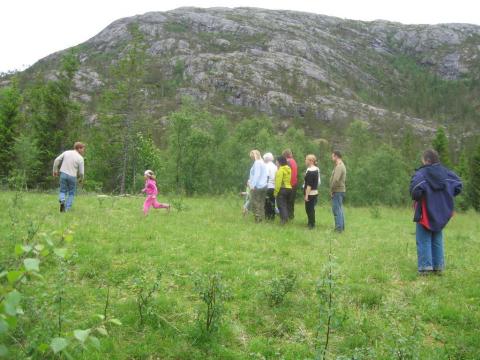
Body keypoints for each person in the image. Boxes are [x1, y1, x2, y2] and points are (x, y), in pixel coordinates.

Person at [409, 149, 462, 275]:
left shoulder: (421, 173)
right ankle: (438, 268)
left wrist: (422, 196)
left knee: (423, 239)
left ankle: (425, 269)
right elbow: (458, 185)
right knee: (437, 238)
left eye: (422, 160)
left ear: (427, 160)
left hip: (425, 212)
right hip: (442, 212)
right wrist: (446, 195)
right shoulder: (447, 173)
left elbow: (415, 191)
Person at [53, 142, 86, 212]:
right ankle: (67, 209)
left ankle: (62, 200)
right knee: (71, 193)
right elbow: (81, 172)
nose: (83, 151)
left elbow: (56, 160)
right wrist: (81, 179)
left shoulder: (66, 152)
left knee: (62, 190)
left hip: (63, 174)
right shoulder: (80, 158)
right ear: (79, 148)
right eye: (83, 149)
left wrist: (55, 170)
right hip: (72, 177)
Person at [248, 150, 268, 222]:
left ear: (254, 156)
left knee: (255, 202)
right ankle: (262, 217)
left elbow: (257, 175)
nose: (252, 159)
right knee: (262, 202)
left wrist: (252, 185)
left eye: (252, 157)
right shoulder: (263, 162)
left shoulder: (257, 163)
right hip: (264, 185)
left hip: (257, 186)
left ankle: (257, 218)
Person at [330, 150, 346, 232]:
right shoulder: (341, 165)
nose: (331, 158)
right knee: (339, 209)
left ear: (336, 156)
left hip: (337, 190)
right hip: (340, 190)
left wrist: (332, 190)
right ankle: (341, 227)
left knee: (336, 209)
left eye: (332, 156)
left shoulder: (339, 166)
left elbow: (335, 180)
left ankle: (338, 228)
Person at [304, 154, 320, 229]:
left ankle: (311, 224)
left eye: (306, 159)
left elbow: (309, 185)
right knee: (311, 209)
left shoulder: (311, 171)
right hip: (315, 192)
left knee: (309, 209)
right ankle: (310, 223)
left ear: (310, 161)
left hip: (310, 193)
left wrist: (306, 195)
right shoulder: (316, 169)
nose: (305, 161)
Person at [274, 156, 292, 224]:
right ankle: (286, 218)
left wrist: (275, 192)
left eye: (276, 161)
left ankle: (283, 220)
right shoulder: (288, 169)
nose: (276, 162)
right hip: (289, 188)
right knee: (285, 205)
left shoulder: (280, 170)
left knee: (281, 205)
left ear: (280, 162)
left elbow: (278, 182)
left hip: (282, 189)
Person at [282, 149, 298, 220]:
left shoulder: (287, 162)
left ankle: (286, 217)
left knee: (285, 202)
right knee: (291, 202)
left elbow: (285, 173)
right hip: (294, 184)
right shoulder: (293, 161)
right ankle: (291, 216)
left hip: (288, 184)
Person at [263, 152, 277, 220]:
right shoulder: (275, 166)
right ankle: (272, 216)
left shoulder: (266, 166)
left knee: (267, 202)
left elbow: (266, 176)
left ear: (266, 159)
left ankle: (267, 216)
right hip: (274, 186)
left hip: (268, 186)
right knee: (272, 202)